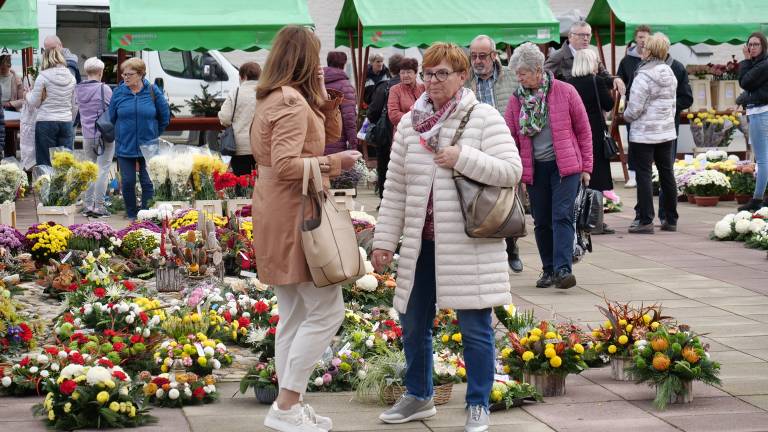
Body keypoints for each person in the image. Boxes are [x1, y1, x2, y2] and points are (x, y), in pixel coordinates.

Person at [372, 42, 522, 432]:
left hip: (468, 243)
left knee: (474, 327)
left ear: (462, 76)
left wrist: (462, 158)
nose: (434, 81)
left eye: (442, 73)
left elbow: (512, 170)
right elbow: (396, 187)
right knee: (412, 322)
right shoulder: (410, 124)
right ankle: (419, 396)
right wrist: (384, 240)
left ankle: (478, 403)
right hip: (420, 244)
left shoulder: (483, 117)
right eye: (429, 73)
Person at [250, 25, 362, 432]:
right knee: (327, 311)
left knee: (295, 314)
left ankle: (290, 407)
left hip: (280, 209)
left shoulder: (279, 97)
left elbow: (321, 137)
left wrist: (322, 99)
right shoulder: (290, 103)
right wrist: (336, 164)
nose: (319, 62)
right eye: (314, 55)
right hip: (295, 212)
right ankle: (286, 405)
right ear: (302, 58)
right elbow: (285, 164)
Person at [504, 42, 592, 289]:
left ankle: (563, 270)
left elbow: (584, 131)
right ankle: (548, 269)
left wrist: (586, 167)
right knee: (541, 220)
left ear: (537, 70)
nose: (519, 78)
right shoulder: (516, 100)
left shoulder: (566, 91)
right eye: (517, 74)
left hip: (565, 167)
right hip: (535, 169)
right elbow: (509, 136)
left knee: (562, 215)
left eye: (523, 73)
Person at [465, 34, 525, 273]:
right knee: (478, 200)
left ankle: (512, 247)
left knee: (508, 199)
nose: (477, 61)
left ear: (493, 55)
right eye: (473, 56)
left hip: (505, 146)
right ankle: (482, 251)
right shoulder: (464, 79)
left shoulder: (511, 77)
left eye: (482, 56)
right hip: (475, 148)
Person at [622, 33, 678, 234]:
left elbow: (634, 109)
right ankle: (670, 219)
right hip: (666, 132)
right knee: (666, 173)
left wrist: (625, 115)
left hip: (644, 134)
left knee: (644, 175)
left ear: (651, 51)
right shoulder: (670, 73)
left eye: (645, 47)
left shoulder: (643, 76)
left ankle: (646, 220)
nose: (641, 50)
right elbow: (673, 105)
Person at [109, 58, 170, 221]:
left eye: (129, 74)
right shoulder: (118, 93)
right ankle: (131, 213)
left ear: (140, 74)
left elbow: (164, 117)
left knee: (147, 182)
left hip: (149, 145)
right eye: (124, 74)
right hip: (125, 144)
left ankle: (146, 214)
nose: (125, 77)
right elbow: (112, 117)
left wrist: (153, 133)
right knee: (128, 181)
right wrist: (122, 133)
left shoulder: (153, 91)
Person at [568, 48, 616, 234]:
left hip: (574, 133)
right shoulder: (596, 81)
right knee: (598, 177)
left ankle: (577, 218)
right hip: (594, 131)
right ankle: (595, 221)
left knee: (578, 176)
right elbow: (609, 104)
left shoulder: (569, 83)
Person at [75, 57, 113, 218]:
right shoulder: (105, 89)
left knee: (90, 169)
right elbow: (112, 110)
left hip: (87, 134)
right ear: (100, 72)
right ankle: (99, 206)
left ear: (86, 71)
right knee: (103, 169)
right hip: (104, 134)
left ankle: (88, 204)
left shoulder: (78, 89)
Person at [26, 47, 76, 166]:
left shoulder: (42, 77)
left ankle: (46, 179)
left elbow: (34, 102)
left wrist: (27, 94)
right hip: (66, 121)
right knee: (64, 163)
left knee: (45, 162)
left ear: (45, 59)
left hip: (46, 121)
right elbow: (74, 103)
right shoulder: (71, 77)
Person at [544, 21, 625, 95]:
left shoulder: (592, 56)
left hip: (590, 104)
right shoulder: (557, 56)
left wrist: (615, 79)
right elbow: (543, 80)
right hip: (568, 103)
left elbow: (604, 76)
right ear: (570, 36)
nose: (586, 38)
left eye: (588, 35)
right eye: (581, 35)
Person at [736, 31, 768, 211]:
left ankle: (757, 199)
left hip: (761, 113)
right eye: (750, 44)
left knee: (762, 159)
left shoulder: (763, 64)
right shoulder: (760, 64)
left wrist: (746, 60)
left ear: (763, 46)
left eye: (756, 44)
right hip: (760, 111)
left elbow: (745, 81)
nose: (752, 47)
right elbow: (754, 88)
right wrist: (743, 98)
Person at [617, 25, 652, 188]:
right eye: (640, 37)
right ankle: (633, 174)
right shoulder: (627, 60)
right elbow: (620, 78)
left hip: (651, 107)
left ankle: (651, 173)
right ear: (635, 39)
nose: (643, 40)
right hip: (633, 105)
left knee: (652, 141)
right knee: (634, 139)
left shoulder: (654, 59)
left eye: (646, 37)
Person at [367, 54, 403, 198]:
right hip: (406, 136)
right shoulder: (415, 87)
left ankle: (384, 198)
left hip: (385, 135)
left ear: (391, 68)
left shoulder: (384, 86)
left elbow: (373, 112)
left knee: (384, 167)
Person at [218, 61, 261, 175]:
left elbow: (225, 118)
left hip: (239, 147)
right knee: (261, 181)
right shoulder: (265, 93)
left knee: (241, 181)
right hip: (261, 147)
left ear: (243, 76)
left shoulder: (235, 93)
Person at [322, 51, 357, 155]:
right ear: (344, 63)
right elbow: (349, 118)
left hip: (315, 139)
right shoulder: (345, 85)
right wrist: (353, 144)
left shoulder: (315, 82)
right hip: (336, 138)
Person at [387, 57, 425, 132]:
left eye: (409, 72)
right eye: (402, 73)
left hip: (422, 132)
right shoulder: (395, 90)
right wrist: (418, 120)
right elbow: (393, 115)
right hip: (403, 132)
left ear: (415, 73)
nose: (405, 75)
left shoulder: (423, 88)